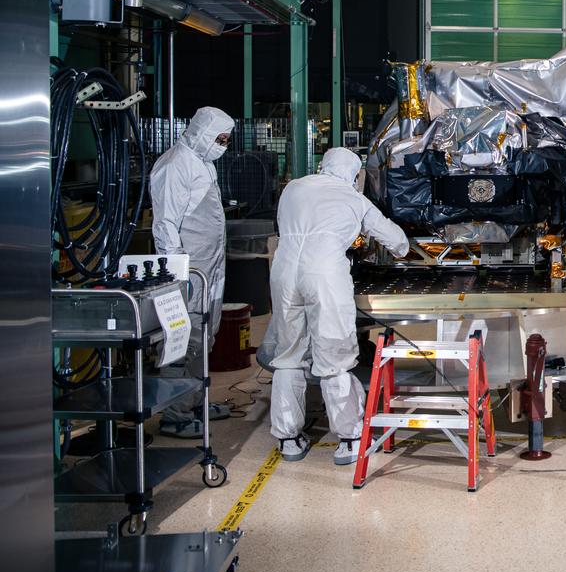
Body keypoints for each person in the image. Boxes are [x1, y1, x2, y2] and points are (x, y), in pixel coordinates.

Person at [268, 147, 410, 465]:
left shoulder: (293, 188)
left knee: (288, 354)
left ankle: (288, 438)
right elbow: (395, 241)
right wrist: (406, 247)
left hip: (283, 272)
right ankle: (349, 437)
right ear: (353, 173)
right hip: (324, 275)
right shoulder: (353, 198)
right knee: (334, 356)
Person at [150, 106, 236, 438]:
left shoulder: (202, 163)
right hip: (187, 272)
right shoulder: (175, 165)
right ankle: (173, 414)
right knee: (180, 340)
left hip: (208, 269)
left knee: (203, 337)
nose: (222, 146)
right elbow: (166, 226)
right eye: (219, 139)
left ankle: (193, 403)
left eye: (226, 140)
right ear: (202, 132)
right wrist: (176, 275)